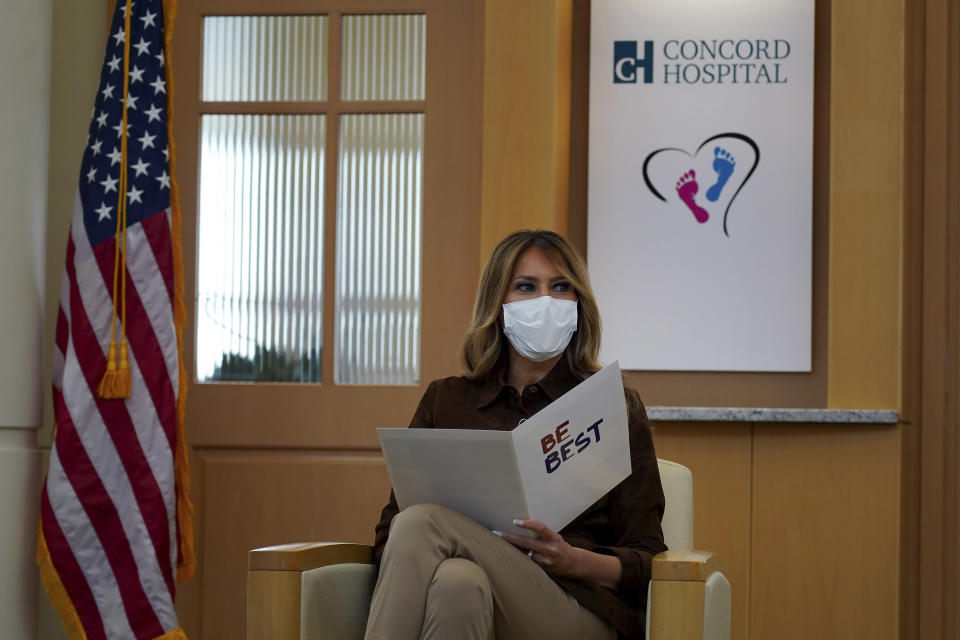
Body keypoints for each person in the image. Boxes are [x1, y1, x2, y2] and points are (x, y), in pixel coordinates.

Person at [365, 230, 666, 640]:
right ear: (498, 304)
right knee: (457, 584)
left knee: (422, 523)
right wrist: (469, 545)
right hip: (481, 594)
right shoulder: (448, 401)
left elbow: (650, 560)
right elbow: (389, 541)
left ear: (579, 303)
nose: (546, 301)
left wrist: (571, 560)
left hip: (578, 608)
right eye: (526, 287)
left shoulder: (614, 406)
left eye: (561, 287)